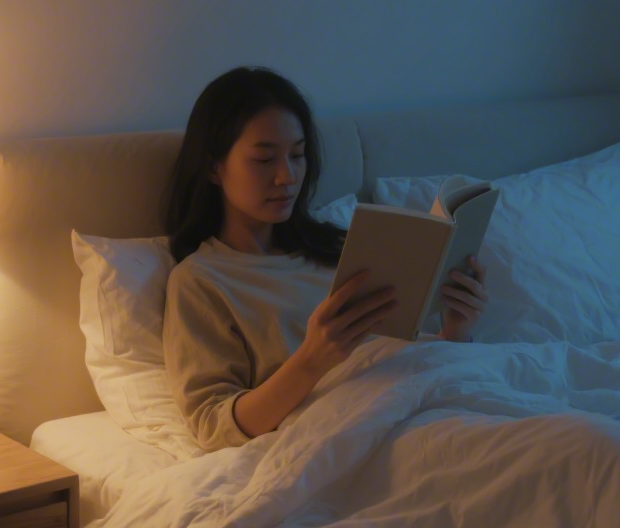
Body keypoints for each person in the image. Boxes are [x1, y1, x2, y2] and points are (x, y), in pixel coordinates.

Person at [162, 67, 489, 452]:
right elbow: (212, 427)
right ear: (213, 168)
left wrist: (456, 330)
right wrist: (311, 359)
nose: (287, 176)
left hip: (423, 404)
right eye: (265, 159)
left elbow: (407, 361)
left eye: (297, 155)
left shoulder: (346, 249)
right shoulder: (202, 281)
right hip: (356, 432)